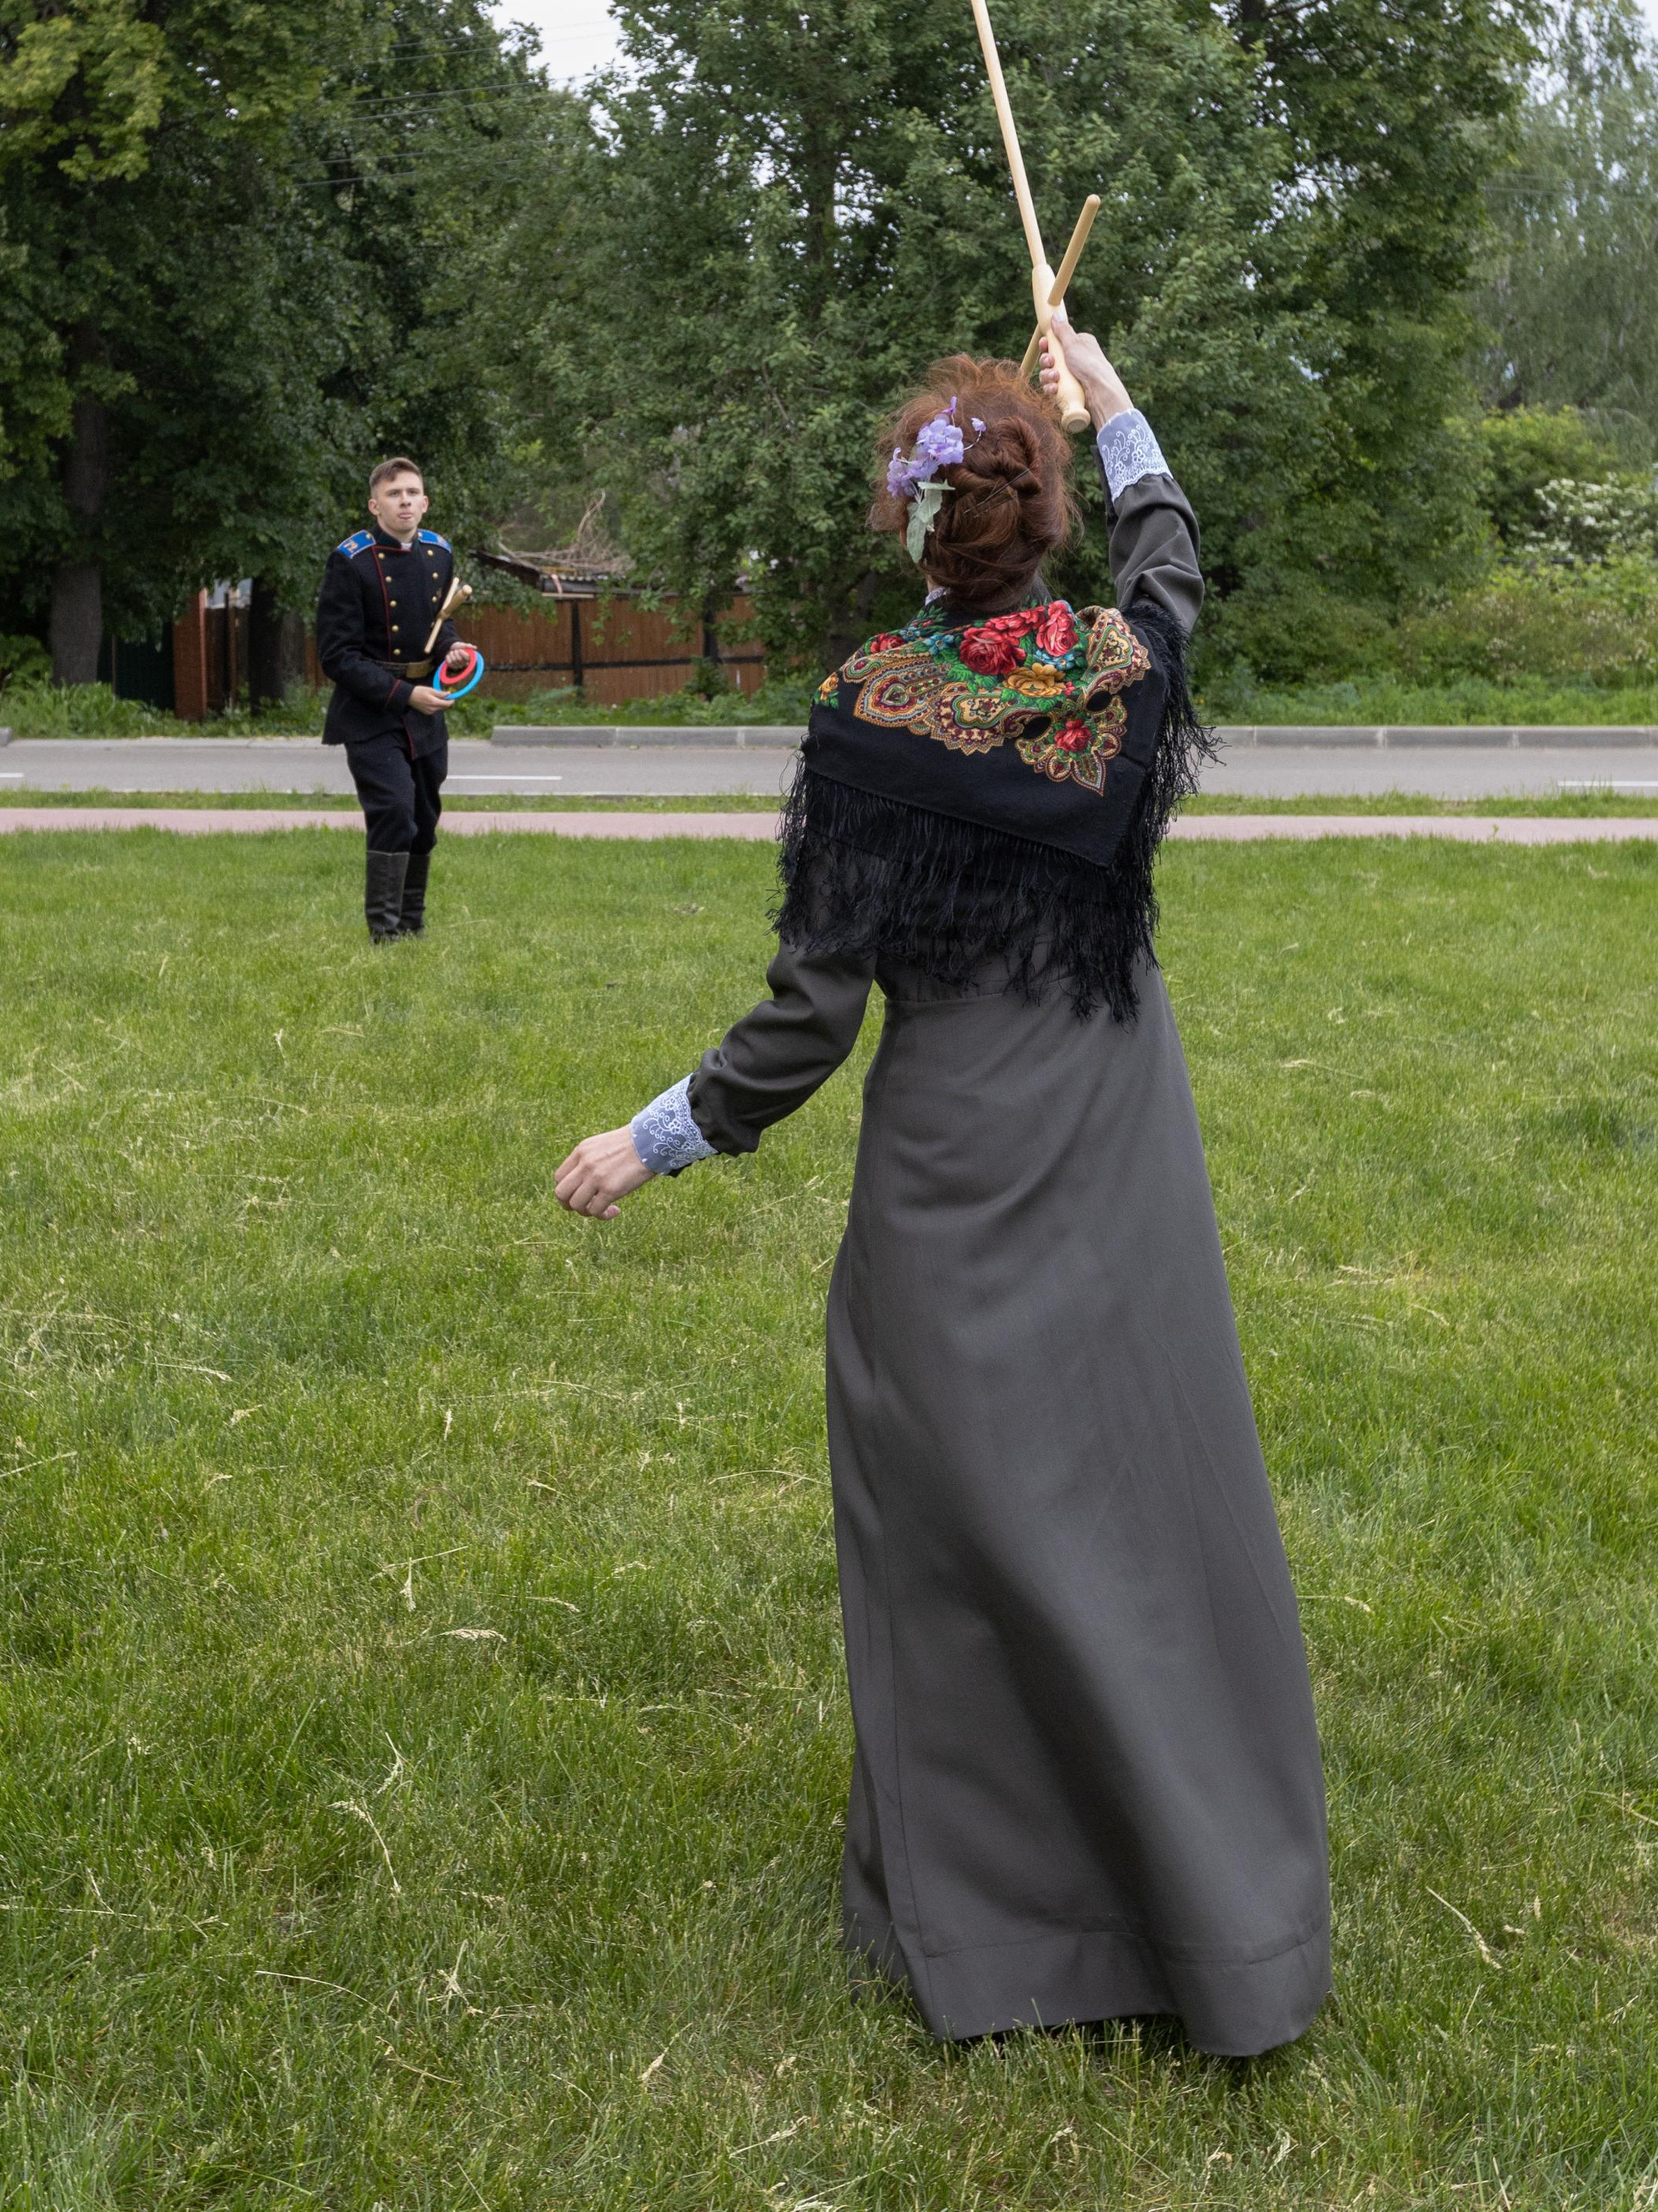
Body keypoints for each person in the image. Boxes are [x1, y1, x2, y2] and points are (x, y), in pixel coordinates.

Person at [553, 319, 1330, 2056]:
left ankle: (990, 1936)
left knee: (957, 1544)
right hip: (1120, 1156)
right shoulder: (1123, 676)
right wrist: (1112, 400)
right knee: (1130, 1527)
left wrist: (656, 1134)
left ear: (917, 532)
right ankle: (1209, 1927)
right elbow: (1173, 551)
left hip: (948, 1180)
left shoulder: (866, 712)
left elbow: (809, 1012)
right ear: (1037, 517)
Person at [314, 456, 468, 945]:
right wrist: (404, 695)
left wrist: (455, 650)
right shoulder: (351, 560)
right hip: (371, 711)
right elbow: (337, 656)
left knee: (424, 817)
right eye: (393, 493)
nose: (404, 501)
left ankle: (412, 924)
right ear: (374, 504)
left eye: (412, 493)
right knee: (395, 810)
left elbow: (440, 625)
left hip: (426, 711)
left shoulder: (439, 553)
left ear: (425, 502)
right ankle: (383, 931)